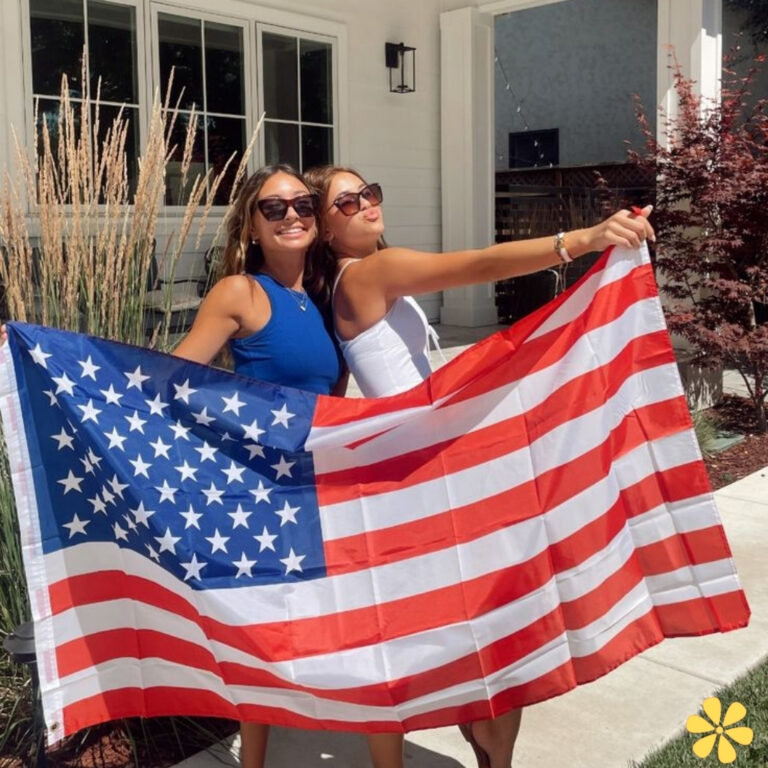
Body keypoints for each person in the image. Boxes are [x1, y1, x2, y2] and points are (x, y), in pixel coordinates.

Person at [303, 164, 655, 768]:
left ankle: (490, 750)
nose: (365, 204)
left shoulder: (347, 282)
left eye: (370, 192)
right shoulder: (371, 272)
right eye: (346, 202)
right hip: (434, 472)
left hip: (433, 460)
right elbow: (475, 264)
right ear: (326, 231)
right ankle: (494, 755)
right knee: (492, 622)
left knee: (484, 619)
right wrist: (583, 240)